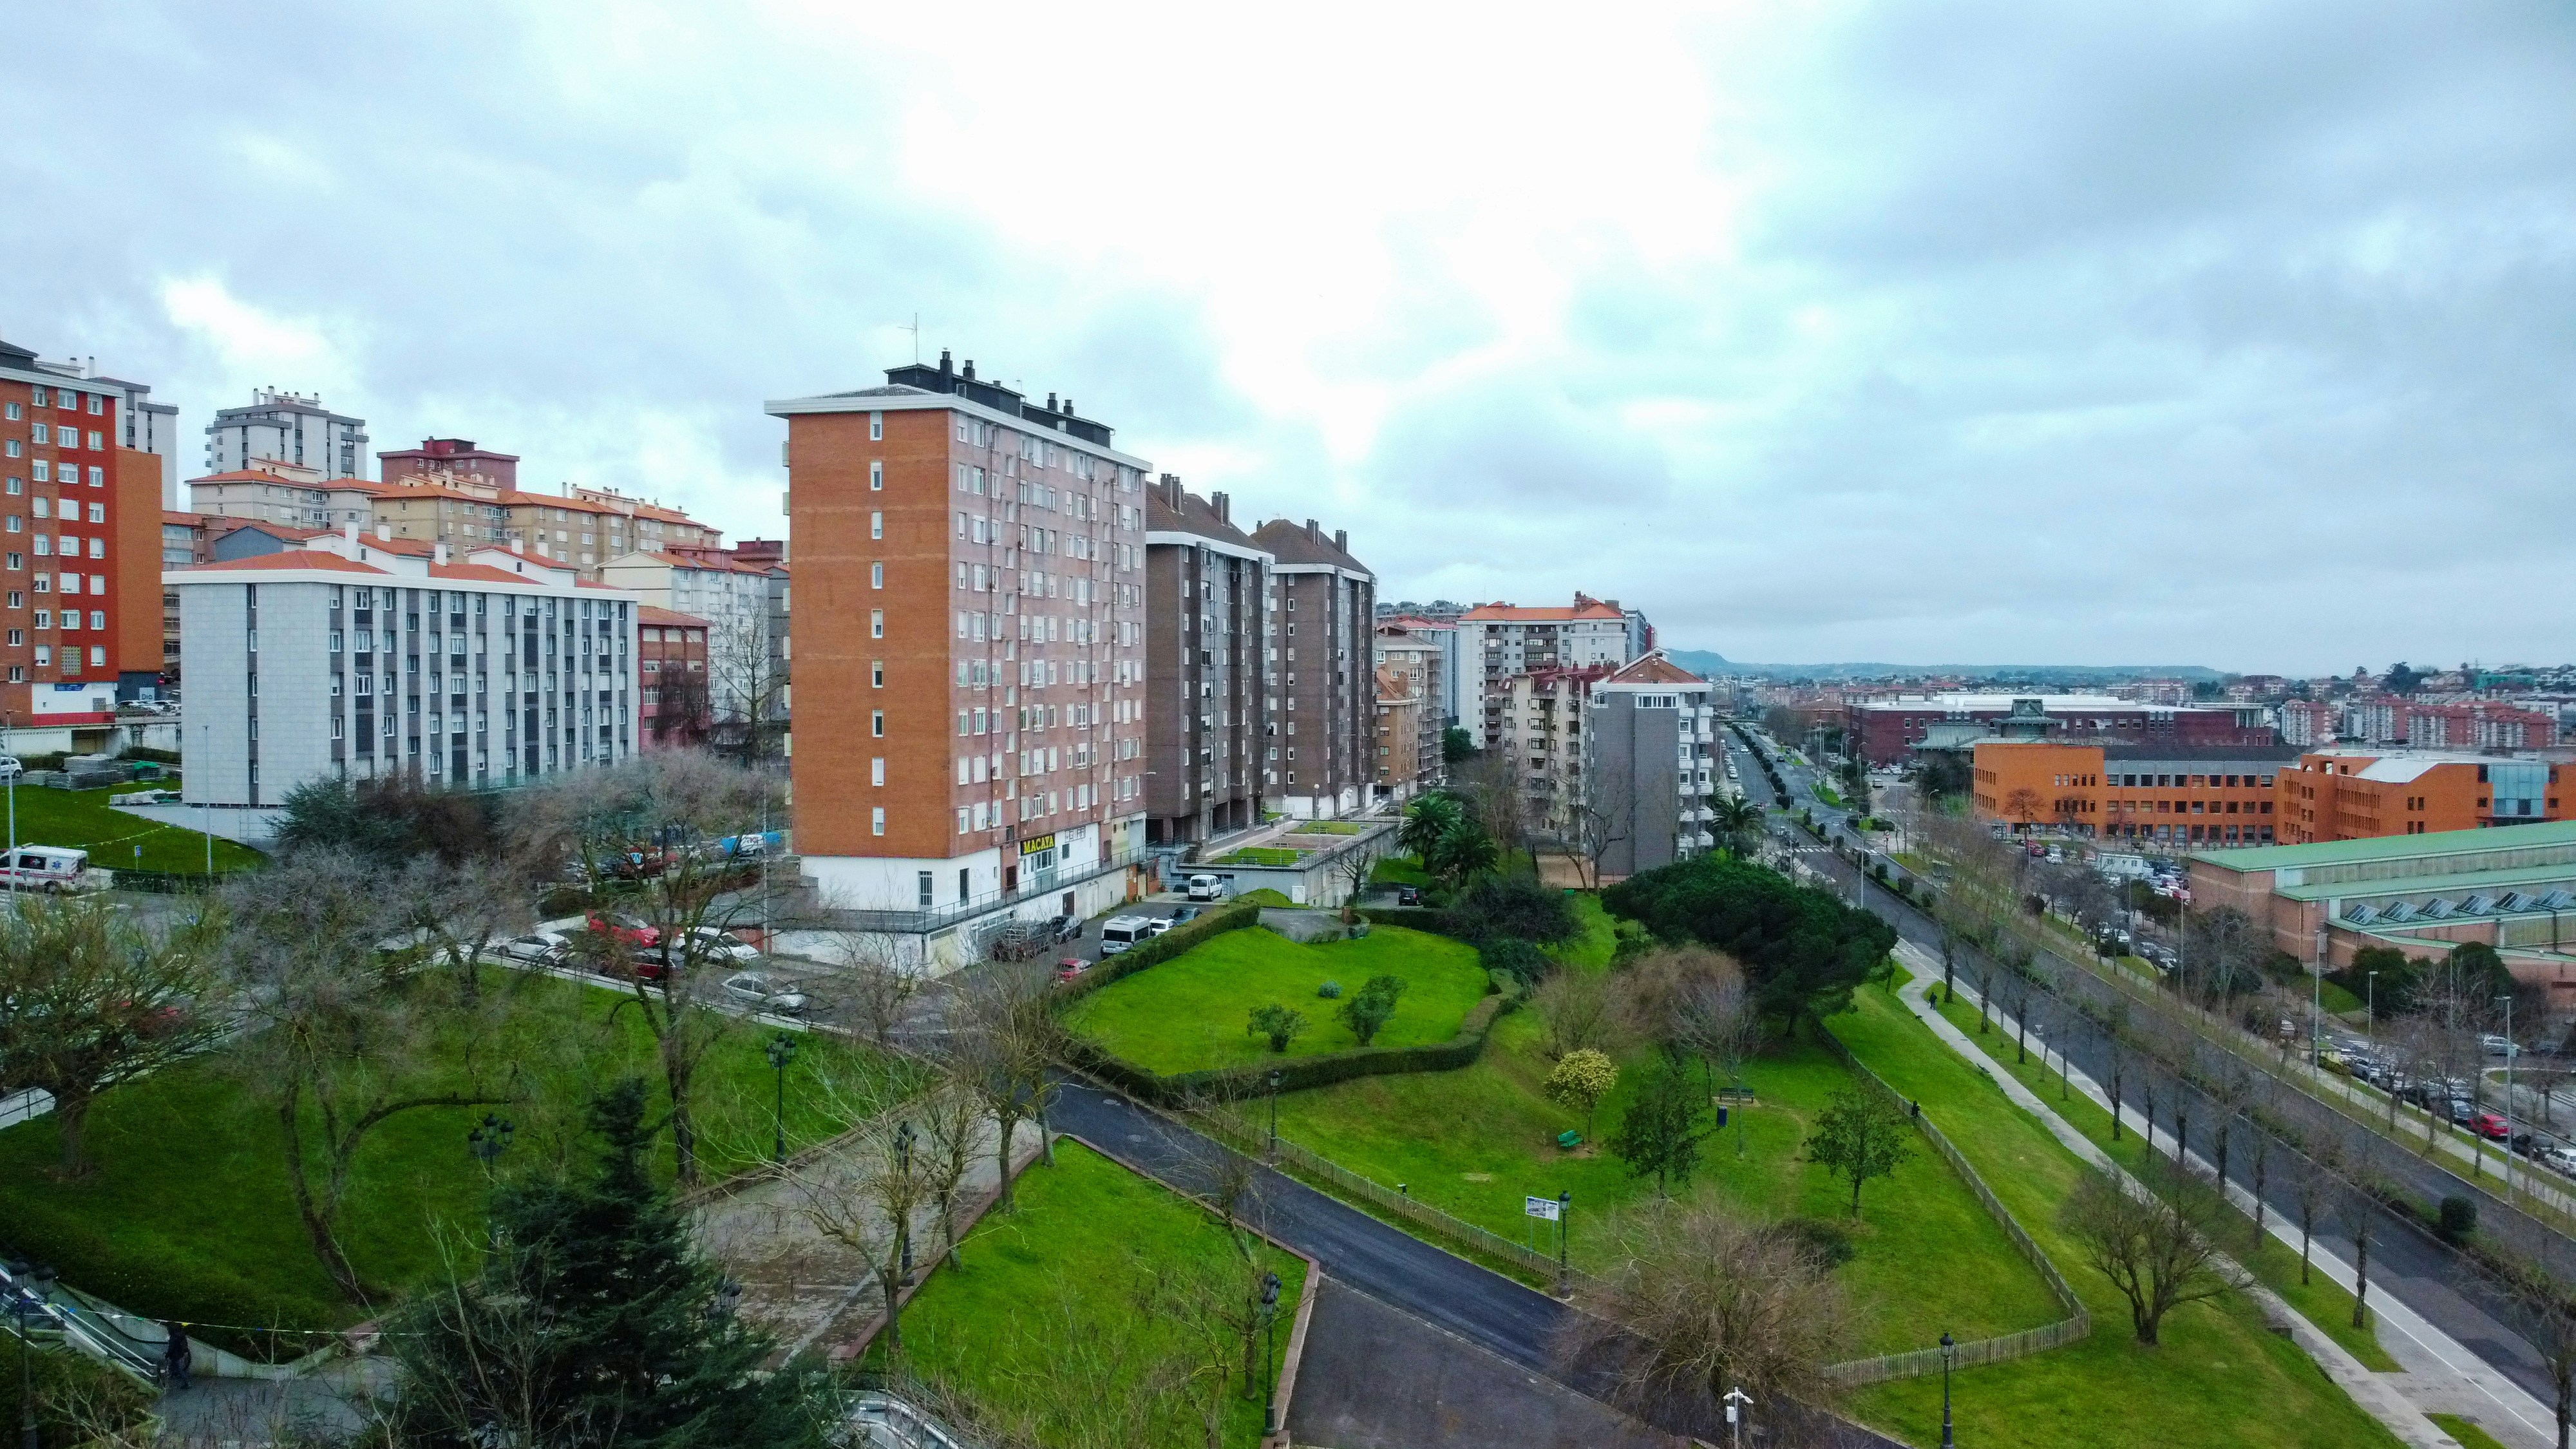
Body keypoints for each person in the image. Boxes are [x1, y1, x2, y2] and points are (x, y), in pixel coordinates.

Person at [161, 1321, 191, 1391]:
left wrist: (167, 1355)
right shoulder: (181, 1335)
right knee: (180, 1369)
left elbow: (171, 1348)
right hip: (181, 1355)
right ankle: (172, 1378)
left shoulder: (173, 1338)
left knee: (178, 1370)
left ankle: (187, 1383)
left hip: (175, 1356)